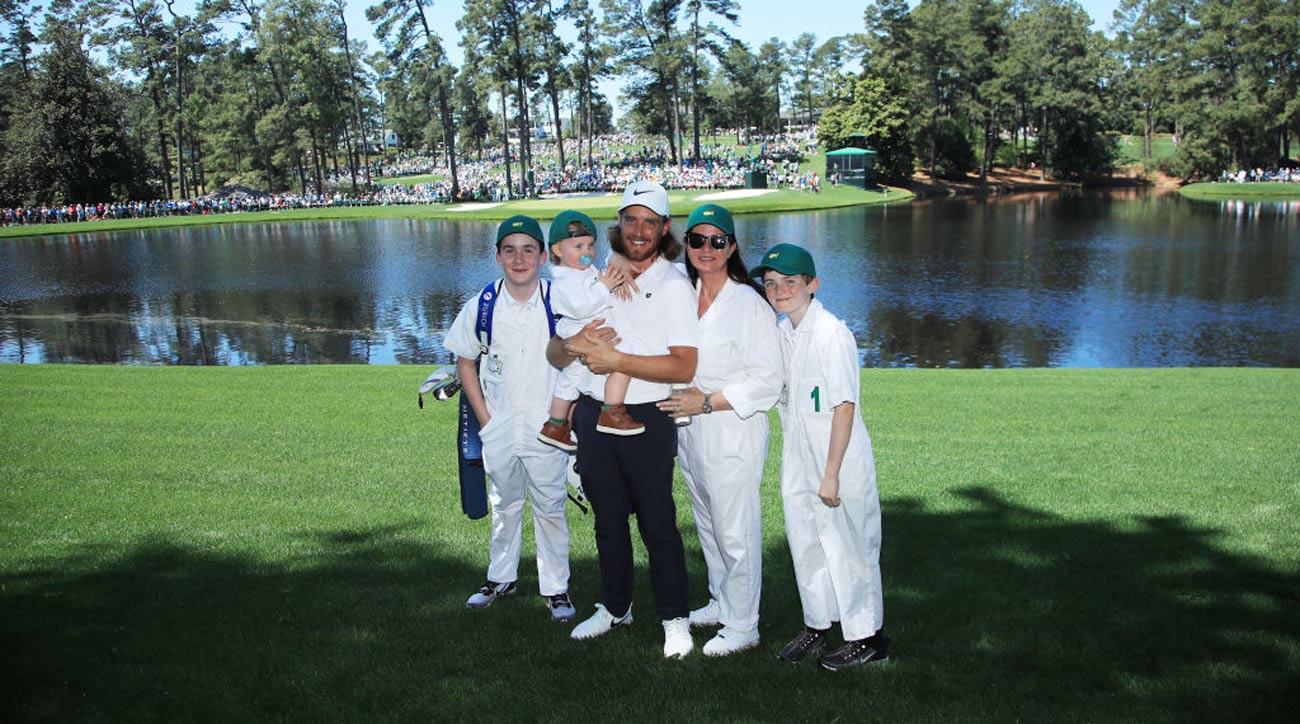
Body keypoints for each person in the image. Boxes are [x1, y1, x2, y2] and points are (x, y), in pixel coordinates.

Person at [549, 180, 700, 659]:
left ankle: (675, 619)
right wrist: (575, 346)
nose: (638, 230)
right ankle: (616, 607)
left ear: (664, 228)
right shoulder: (589, 275)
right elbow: (556, 353)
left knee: (658, 523)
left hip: (647, 416)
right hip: (594, 413)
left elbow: (683, 366)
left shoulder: (674, 285)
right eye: (630, 219)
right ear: (619, 224)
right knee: (608, 521)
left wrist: (617, 362)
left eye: (649, 222)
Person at [750, 243, 889, 672]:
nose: (779, 290)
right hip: (798, 453)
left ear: (812, 285)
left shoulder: (831, 333)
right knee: (806, 541)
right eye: (771, 284)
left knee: (848, 545)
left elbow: (844, 407)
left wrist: (831, 476)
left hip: (837, 457)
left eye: (789, 282)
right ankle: (817, 622)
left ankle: (867, 637)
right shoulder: (783, 333)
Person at [656, 203, 783, 657]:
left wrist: (706, 400)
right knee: (708, 524)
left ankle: (744, 623)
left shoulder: (749, 303)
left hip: (732, 431)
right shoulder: (681, 293)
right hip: (688, 431)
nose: (706, 249)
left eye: (717, 240)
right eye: (697, 240)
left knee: (735, 530)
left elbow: (768, 380)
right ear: (685, 244)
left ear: (732, 246)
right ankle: (719, 600)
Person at [442, 214, 576, 622]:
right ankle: (500, 577)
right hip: (499, 426)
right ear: (498, 256)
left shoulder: (561, 303)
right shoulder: (482, 305)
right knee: (505, 503)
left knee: (550, 505)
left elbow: (580, 366)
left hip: (547, 427)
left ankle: (556, 588)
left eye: (528, 250)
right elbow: (465, 362)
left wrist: (563, 416)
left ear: (542, 256)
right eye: (510, 251)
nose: (520, 259)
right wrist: (485, 420)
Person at [538, 210, 642, 453]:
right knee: (625, 356)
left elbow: (603, 271)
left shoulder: (580, 271)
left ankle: (555, 425)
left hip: (579, 331)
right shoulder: (565, 279)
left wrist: (613, 265)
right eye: (578, 246)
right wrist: (604, 287)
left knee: (569, 381)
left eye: (590, 245)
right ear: (557, 250)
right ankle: (612, 409)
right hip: (583, 330)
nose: (587, 252)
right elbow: (580, 305)